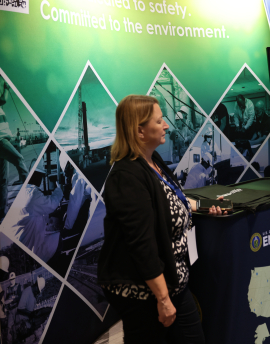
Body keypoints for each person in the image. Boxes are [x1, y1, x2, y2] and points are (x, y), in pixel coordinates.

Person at [98, 95, 226, 344]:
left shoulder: (152, 162)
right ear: (140, 131)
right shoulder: (127, 176)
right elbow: (142, 246)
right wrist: (163, 299)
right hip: (146, 293)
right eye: (159, 121)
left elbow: (171, 201)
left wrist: (203, 206)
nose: (166, 125)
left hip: (173, 284)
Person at [0, 70, 29, 221]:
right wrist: (6, 88)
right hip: (0, 141)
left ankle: (2, 213)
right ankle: (31, 195)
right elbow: (2, 98)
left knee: (3, 180)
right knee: (20, 160)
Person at [10, 169, 63, 262]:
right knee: (59, 238)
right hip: (29, 247)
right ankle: (55, 265)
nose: (41, 180)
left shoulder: (23, 191)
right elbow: (52, 204)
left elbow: (39, 212)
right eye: (41, 177)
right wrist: (59, 189)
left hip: (19, 239)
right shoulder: (33, 193)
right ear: (37, 177)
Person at [4, 272, 22, 344]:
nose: (12, 280)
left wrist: (13, 300)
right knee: (9, 327)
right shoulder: (7, 289)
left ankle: (20, 340)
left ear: (15, 278)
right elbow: (5, 300)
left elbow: (20, 297)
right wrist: (5, 307)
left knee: (18, 326)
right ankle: (9, 342)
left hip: (17, 309)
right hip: (10, 311)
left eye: (13, 279)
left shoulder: (18, 286)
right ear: (9, 280)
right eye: (11, 279)